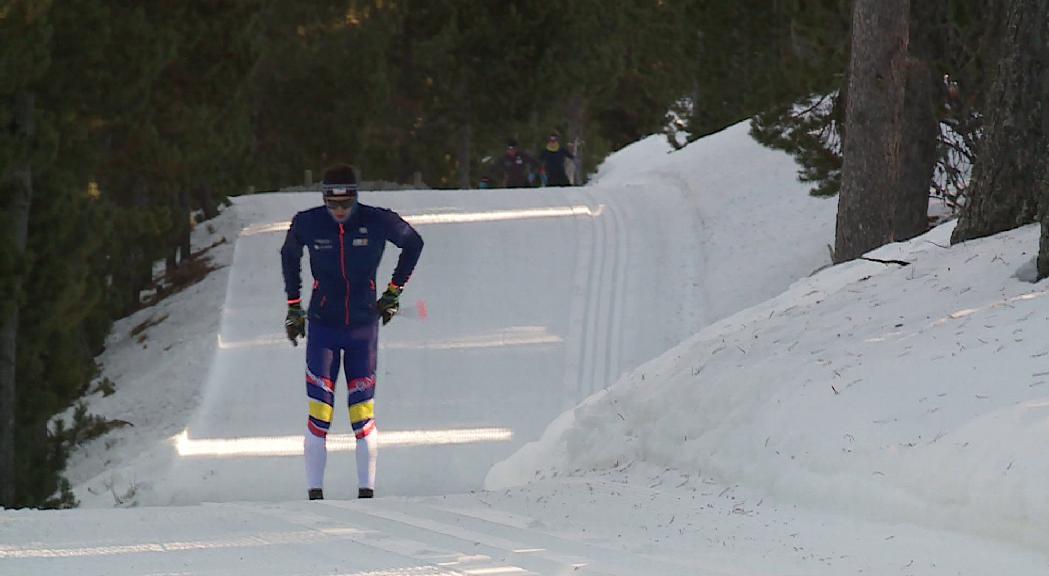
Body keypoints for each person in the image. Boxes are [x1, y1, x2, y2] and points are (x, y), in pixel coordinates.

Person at [280, 163, 423, 500]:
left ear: (357, 199)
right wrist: (293, 306)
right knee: (320, 411)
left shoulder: (377, 219)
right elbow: (289, 254)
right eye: (333, 205)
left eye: (346, 205)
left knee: (362, 412)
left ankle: (367, 493)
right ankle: (315, 494)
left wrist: (393, 292)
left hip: (362, 327)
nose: (340, 212)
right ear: (324, 200)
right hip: (323, 326)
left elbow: (413, 244)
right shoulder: (309, 221)